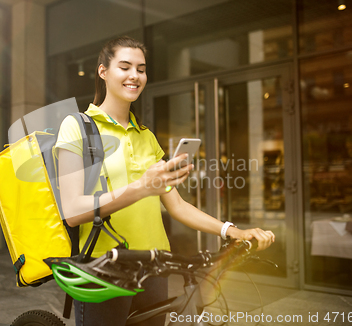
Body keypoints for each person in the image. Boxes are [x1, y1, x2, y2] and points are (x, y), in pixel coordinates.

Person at [54, 36, 275, 326]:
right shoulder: (77, 126)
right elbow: (72, 211)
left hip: (155, 266)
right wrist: (141, 187)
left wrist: (233, 231)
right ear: (103, 71)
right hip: (103, 268)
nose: (135, 75)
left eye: (141, 69)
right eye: (124, 67)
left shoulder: (146, 136)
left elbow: (178, 206)